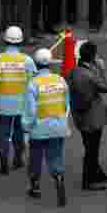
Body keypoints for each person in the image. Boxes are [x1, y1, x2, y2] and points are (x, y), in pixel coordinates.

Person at [67, 40, 107, 191]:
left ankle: (97, 174)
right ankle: (88, 180)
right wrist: (102, 69)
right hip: (91, 116)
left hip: (79, 114)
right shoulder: (89, 74)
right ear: (93, 57)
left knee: (90, 146)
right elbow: (105, 87)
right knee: (92, 148)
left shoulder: (74, 71)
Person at [0, 26, 35, 175]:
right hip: (21, 105)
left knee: (2, 135)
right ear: (20, 42)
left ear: (5, 40)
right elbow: (34, 84)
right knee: (19, 133)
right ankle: (18, 158)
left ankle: (3, 162)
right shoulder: (27, 61)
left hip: (2, 105)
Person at [24, 48, 71, 205]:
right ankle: (58, 178)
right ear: (51, 64)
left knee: (36, 157)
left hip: (39, 128)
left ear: (36, 65)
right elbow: (66, 104)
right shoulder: (60, 80)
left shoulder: (33, 84)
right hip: (59, 126)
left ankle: (35, 186)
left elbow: (30, 111)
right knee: (56, 156)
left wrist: (26, 126)